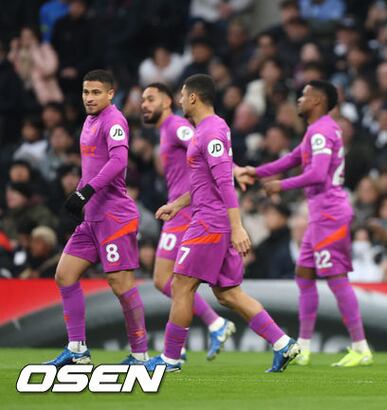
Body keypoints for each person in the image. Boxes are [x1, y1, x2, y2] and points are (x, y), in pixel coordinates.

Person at [145, 74, 299, 373]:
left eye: (182, 95)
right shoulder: (207, 129)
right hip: (209, 218)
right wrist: (177, 205)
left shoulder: (211, 131)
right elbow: (206, 182)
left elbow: (225, 183)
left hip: (209, 222)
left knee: (181, 285)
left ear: (193, 97)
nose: (179, 101)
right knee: (228, 293)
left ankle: (170, 359)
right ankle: (283, 344)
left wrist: (237, 227)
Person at [237, 80, 373, 367]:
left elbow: (318, 174)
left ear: (318, 101)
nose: (299, 99)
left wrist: (281, 185)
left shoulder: (322, 131)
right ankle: (305, 346)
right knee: (304, 275)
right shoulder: (316, 130)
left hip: (330, 215)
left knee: (336, 280)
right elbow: (291, 159)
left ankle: (361, 347)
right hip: (319, 215)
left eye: (304, 95)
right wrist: (256, 172)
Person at [45, 70, 149, 367]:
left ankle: (140, 355)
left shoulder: (114, 120)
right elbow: (91, 167)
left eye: (96, 92)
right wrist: (78, 196)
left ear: (110, 94)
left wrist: (86, 191)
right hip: (91, 218)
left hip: (114, 217)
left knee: (121, 284)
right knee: (64, 275)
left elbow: (118, 161)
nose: (89, 98)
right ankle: (77, 349)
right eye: (85, 92)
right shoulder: (89, 121)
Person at [141, 82, 235, 361]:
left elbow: (205, 144)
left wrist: (233, 169)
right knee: (175, 281)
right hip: (182, 206)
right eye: (143, 99)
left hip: (188, 210)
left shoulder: (176, 127)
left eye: (151, 99)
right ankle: (189, 341)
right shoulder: (165, 130)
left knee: (169, 280)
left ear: (167, 101)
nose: (144, 104)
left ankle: (208, 328)